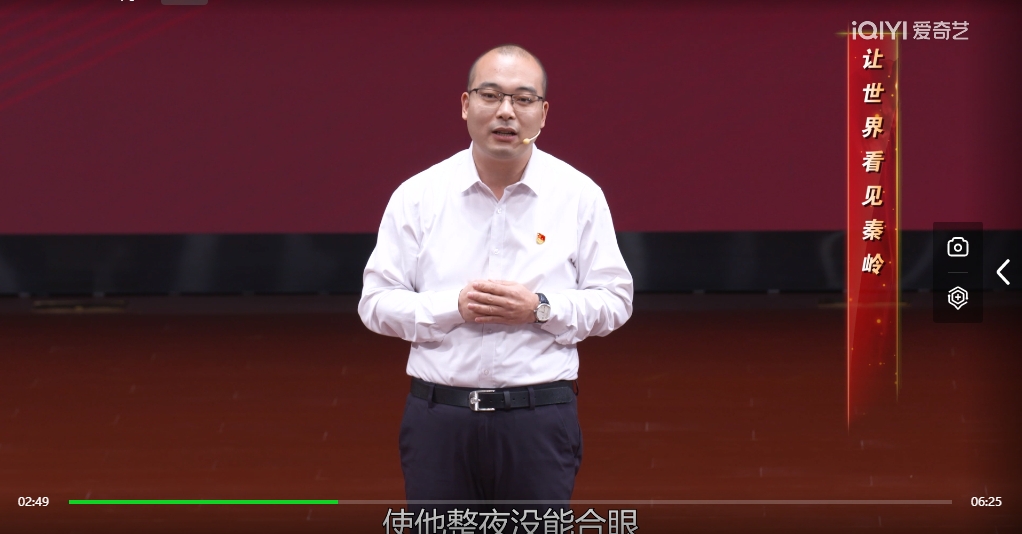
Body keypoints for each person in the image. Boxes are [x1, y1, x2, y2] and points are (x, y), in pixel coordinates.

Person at [358, 44, 633, 523]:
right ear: (466, 105)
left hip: (538, 419)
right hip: (439, 421)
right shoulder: (418, 195)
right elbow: (376, 303)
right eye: (491, 95)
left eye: (523, 99)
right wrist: (454, 306)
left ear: (543, 113)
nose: (506, 111)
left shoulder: (578, 195)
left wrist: (540, 308)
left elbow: (614, 299)